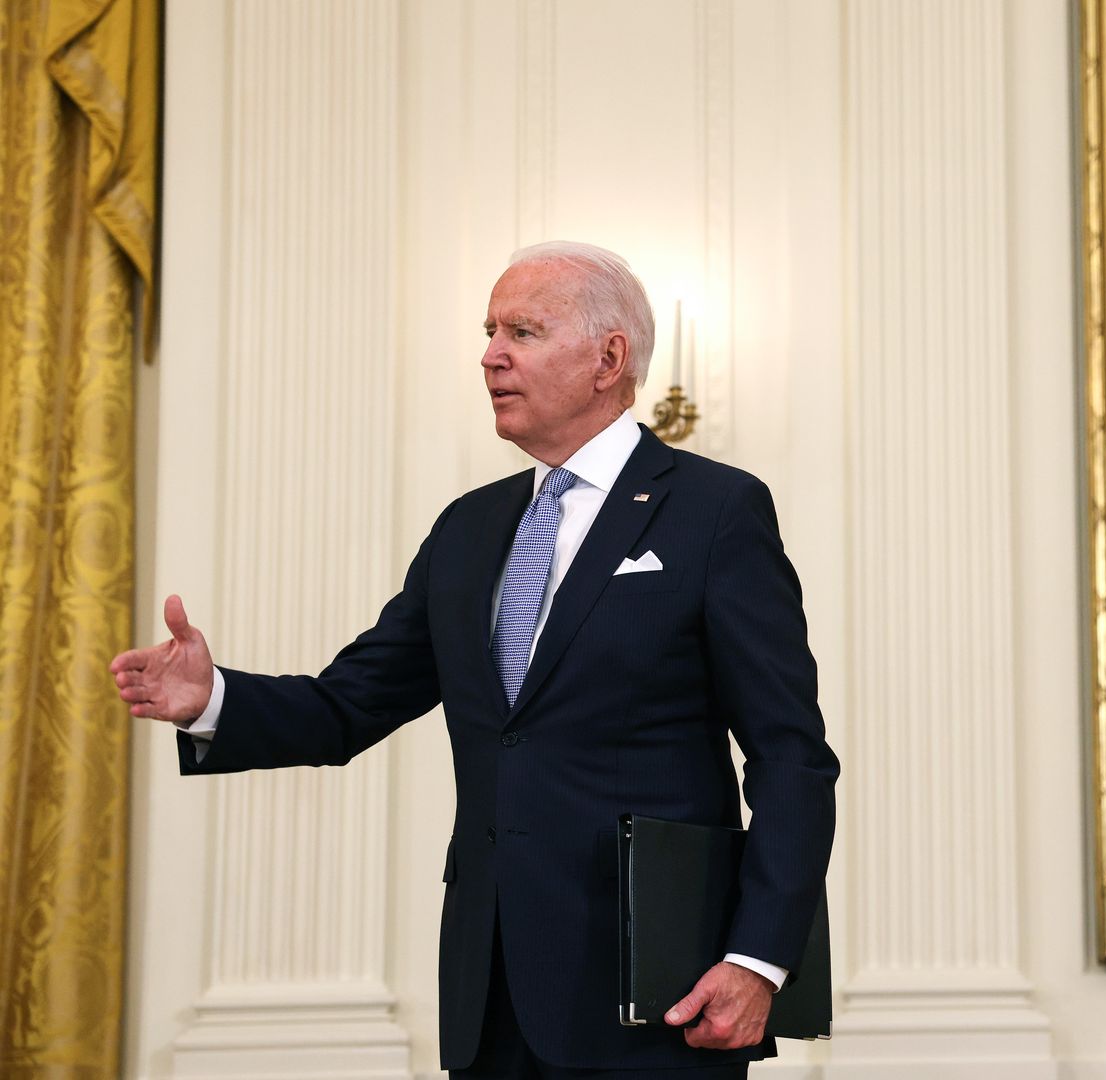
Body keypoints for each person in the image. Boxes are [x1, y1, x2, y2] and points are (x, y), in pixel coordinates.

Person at [110, 241, 838, 1077]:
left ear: (610, 358)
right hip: (489, 988)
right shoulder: (469, 527)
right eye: (489, 330)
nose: (490, 354)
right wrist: (214, 700)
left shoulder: (715, 511)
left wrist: (757, 961)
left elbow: (791, 757)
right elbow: (352, 703)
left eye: (522, 331)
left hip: (659, 993)